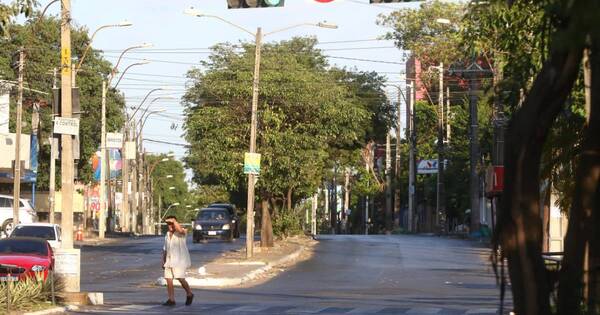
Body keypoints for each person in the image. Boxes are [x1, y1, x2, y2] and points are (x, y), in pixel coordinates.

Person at [162, 215, 193, 306]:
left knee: (180, 278)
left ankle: (189, 293)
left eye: (172, 224)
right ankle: (171, 299)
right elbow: (165, 249)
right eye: (169, 224)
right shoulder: (167, 235)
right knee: (168, 279)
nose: (170, 226)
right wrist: (163, 260)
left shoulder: (181, 232)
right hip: (169, 260)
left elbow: (180, 230)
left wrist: (174, 221)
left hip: (179, 260)